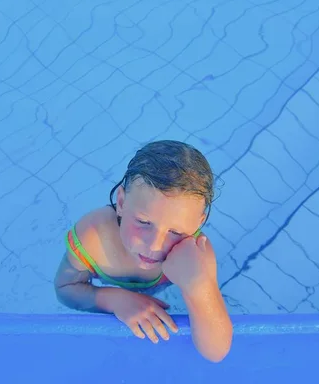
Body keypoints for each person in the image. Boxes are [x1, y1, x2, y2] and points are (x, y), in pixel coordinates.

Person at [54, 140, 233, 362]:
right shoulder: (93, 238)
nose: (154, 245)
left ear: (198, 223)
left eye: (175, 231)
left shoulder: (196, 255)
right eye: (143, 222)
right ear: (121, 202)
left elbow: (216, 352)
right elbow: (64, 288)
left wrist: (198, 288)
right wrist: (115, 300)